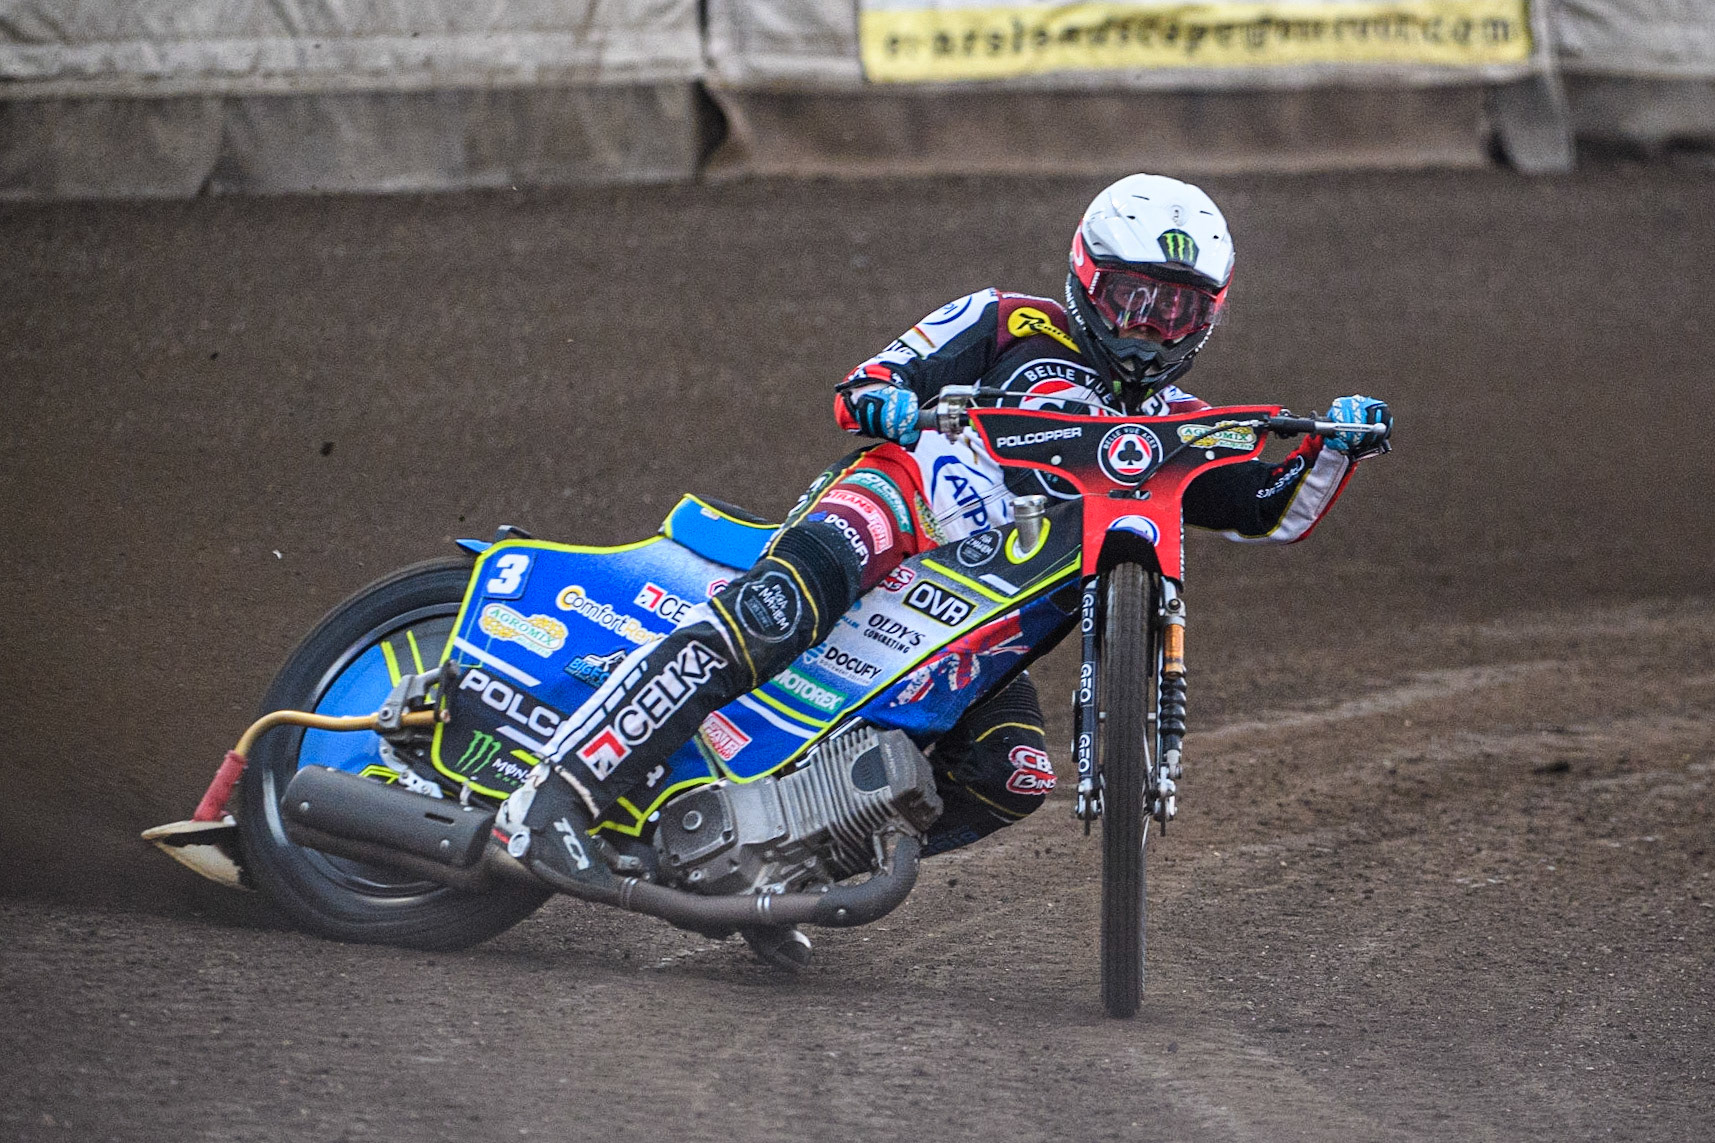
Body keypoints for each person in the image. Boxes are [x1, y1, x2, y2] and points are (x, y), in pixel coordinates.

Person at [493, 173, 1392, 964]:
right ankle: (553, 793)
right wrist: (885, 398)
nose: (1150, 330)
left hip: (975, 633)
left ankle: (780, 864)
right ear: (1085, 278)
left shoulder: (1180, 428)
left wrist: (1336, 447)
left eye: (1178, 311)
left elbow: (1271, 508)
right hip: (896, 516)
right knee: (772, 614)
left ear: (1210, 317)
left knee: (1012, 777)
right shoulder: (1007, 321)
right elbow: (871, 381)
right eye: (1131, 299)